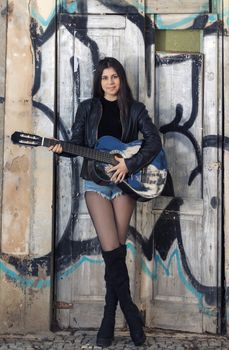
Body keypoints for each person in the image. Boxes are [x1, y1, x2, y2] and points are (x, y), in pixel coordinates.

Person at [50, 57, 162, 347]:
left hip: (125, 186)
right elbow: (77, 145)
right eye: (104, 78)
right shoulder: (88, 108)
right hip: (95, 184)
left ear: (121, 80)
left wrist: (130, 163)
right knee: (112, 252)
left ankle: (108, 319)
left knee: (116, 256)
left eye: (114, 77)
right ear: (98, 82)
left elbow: (154, 143)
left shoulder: (135, 110)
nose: (110, 82)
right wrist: (61, 149)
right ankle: (130, 313)